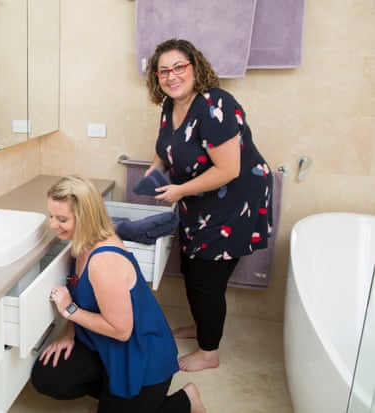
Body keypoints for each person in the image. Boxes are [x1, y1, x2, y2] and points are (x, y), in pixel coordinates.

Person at [143, 39, 274, 372]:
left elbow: (228, 169)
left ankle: (208, 352)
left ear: (195, 67)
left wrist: (179, 190)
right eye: (163, 71)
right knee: (191, 267)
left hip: (233, 200)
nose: (171, 76)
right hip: (198, 199)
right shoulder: (169, 105)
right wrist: (153, 171)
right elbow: (166, 146)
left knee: (206, 278)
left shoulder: (216, 103)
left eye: (178, 67)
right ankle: (204, 329)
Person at [31, 175, 206, 413]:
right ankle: (113, 398)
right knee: (48, 377)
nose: (53, 225)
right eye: (51, 216)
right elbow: (83, 297)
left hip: (141, 356)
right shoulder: (82, 243)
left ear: (85, 218)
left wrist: (70, 311)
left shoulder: (104, 261)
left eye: (62, 219)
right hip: (103, 344)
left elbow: (122, 331)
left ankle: (186, 400)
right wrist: (68, 334)